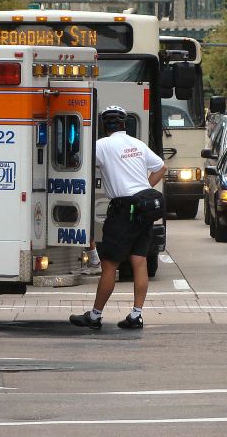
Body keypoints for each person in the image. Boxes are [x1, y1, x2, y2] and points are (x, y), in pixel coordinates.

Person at [70, 105, 167, 330]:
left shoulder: (102, 145)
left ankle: (94, 316)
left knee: (109, 265)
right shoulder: (137, 144)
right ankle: (136, 315)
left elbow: (76, 161)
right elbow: (161, 167)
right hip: (144, 208)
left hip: (123, 210)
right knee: (139, 261)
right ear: (125, 124)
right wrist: (144, 187)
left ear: (104, 125)